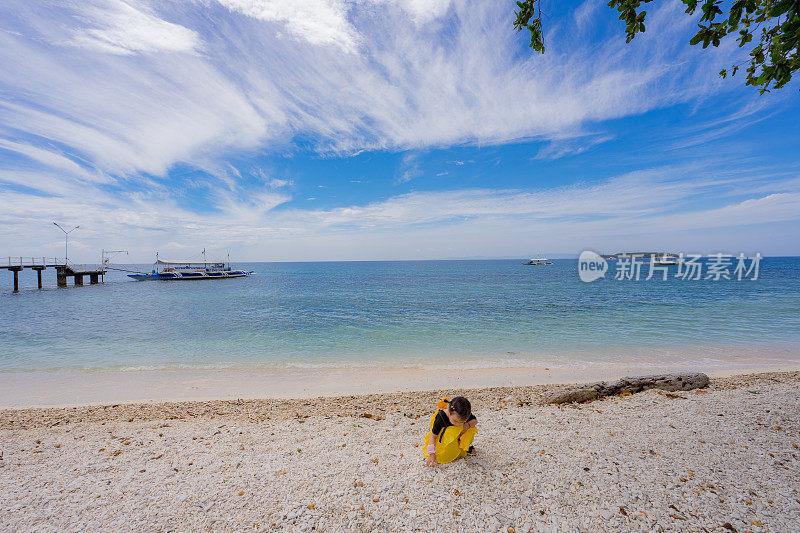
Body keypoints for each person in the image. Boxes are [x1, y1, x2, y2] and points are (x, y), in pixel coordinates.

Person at [424, 396, 477, 466]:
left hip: (458, 436)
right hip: (445, 439)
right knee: (441, 458)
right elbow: (433, 436)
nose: (458, 424)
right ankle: (455, 450)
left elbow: (475, 421)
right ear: (449, 411)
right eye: (455, 421)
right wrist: (432, 454)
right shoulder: (441, 418)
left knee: (470, 429)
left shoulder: (463, 413)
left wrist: (467, 425)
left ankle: (463, 448)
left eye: (461, 422)